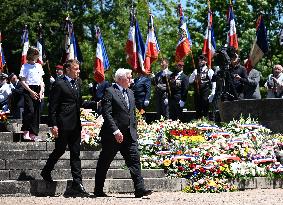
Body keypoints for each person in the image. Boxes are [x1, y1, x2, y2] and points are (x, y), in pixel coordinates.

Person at [94, 68, 152, 198]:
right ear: (120, 79)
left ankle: (139, 189)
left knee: (135, 161)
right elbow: (107, 113)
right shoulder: (110, 91)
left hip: (129, 135)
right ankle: (98, 190)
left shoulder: (130, 93)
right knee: (104, 162)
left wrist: (134, 129)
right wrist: (115, 131)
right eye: (129, 77)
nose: (131, 80)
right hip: (112, 136)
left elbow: (132, 113)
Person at [41, 59, 89, 197]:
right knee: (60, 149)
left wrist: (96, 104)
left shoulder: (78, 83)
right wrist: (53, 124)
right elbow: (53, 107)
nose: (78, 71)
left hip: (75, 125)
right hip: (63, 124)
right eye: (76, 69)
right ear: (68, 69)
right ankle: (46, 170)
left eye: (78, 69)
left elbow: (80, 102)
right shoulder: (59, 83)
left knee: (75, 153)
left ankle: (77, 183)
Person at [19, 47, 45, 141]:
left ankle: (34, 133)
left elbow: (41, 80)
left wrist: (42, 91)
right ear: (31, 54)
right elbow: (22, 81)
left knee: (37, 112)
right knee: (30, 110)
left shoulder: (39, 66)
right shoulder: (25, 66)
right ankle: (25, 131)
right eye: (36, 54)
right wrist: (31, 92)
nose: (37, 56)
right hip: (28, 89)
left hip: (38, 88)